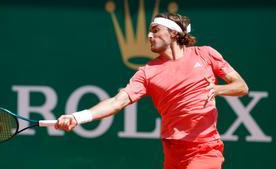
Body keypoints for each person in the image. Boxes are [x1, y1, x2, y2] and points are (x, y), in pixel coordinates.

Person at [55, 13, 248, 169]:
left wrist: (216, 89)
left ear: (173, 33)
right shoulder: (147, 73)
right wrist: (78, 117)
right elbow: (117, 102)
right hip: (173, 152)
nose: (149, 36)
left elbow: (241, 86)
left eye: (155, 30)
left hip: (205, 149)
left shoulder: (205, 54)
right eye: (149, 31)